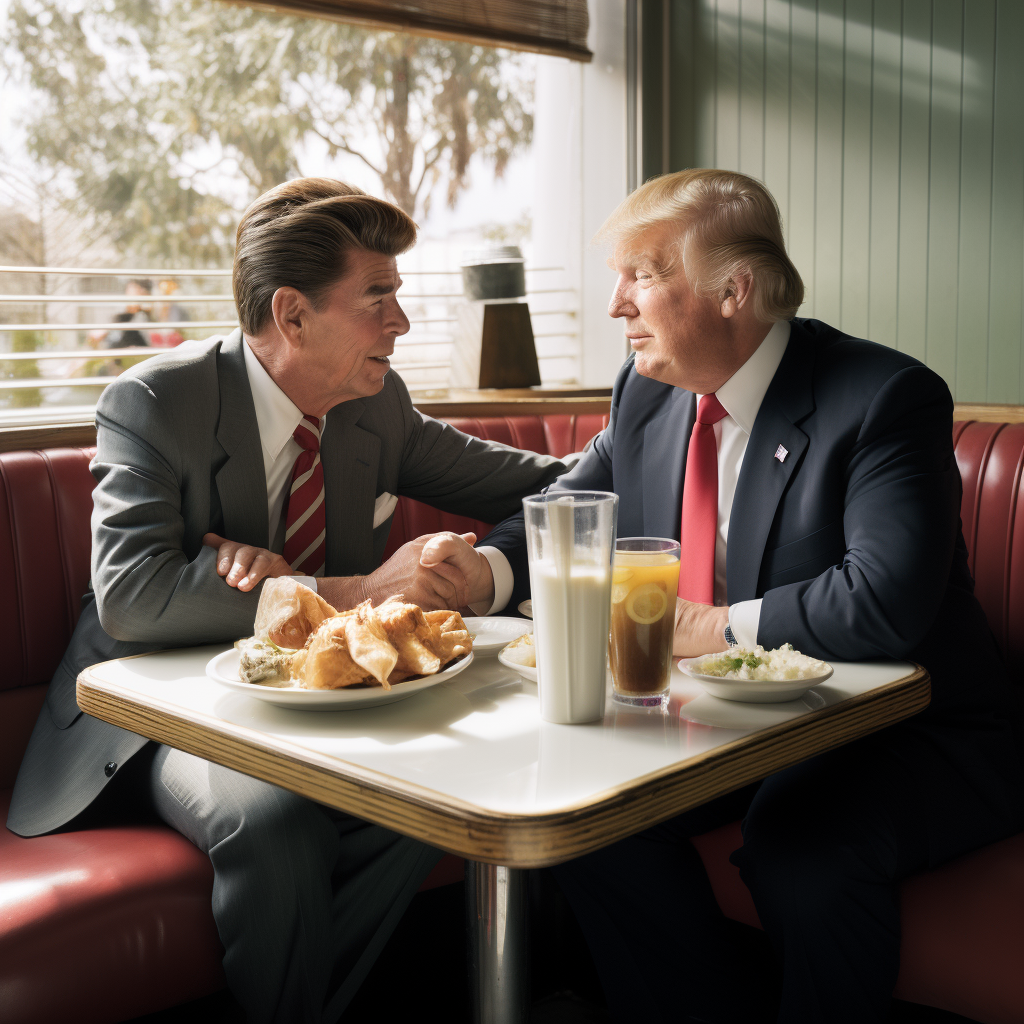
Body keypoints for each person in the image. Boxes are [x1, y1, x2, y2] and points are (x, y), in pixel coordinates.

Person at [7, 178, 564, 1023]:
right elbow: (130, 599)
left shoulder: (379, 407)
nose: (401, 324)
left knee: (448, 802)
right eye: (379, 298)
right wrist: (332, 592)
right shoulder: (156, 401)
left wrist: (488, 567)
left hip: (315, 705)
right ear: (293, 315)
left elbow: (554, 484)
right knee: (272, 822)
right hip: (156, 711)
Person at [480, 169, 1024, 1022]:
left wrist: (707, 627)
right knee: (585, 824)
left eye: (644, 274)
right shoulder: (646, 390)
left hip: (912, 732)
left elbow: (881, 603)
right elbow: (566, 508)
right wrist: (478, 573)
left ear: (734, 289)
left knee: (802, 847)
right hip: (735, 729)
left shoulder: (883, 397)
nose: (617, 302)